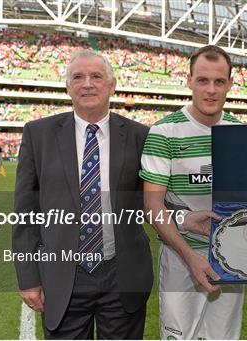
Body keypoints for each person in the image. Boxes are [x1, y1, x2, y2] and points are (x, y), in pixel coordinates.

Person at [140, 45, 247, 339]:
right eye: (203, 80)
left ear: (230, 83)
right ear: (189, 80)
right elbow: (152, 205)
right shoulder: (164, 133)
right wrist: (190, 256)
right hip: (181, 256)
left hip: (232, 256)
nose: (211, 90)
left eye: (219, 81)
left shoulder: (239, 132)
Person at [12, 49, 153, 339]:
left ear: (112, 85)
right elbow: (25, 214)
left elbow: (154, 201)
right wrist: (28, 278)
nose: (87, 84)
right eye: (78, 77)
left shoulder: (140, 135)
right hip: (63, 275)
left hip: (122, 274)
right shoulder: (38, 134)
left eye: (96, 76)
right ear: (68, 86)